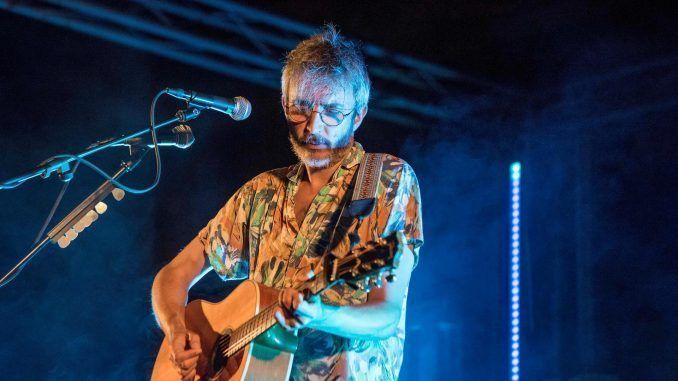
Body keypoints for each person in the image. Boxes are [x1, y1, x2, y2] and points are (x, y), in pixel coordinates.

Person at [151, 24, 423, 381]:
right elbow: (173, 274)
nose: (313, 125)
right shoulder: (262, 192)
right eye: (301, 107)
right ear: (284, 104)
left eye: (331, 111)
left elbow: (386, 316)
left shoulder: (385, 178)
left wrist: (321, 315)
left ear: (357, 115)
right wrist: (177, 331)